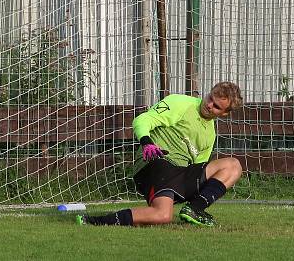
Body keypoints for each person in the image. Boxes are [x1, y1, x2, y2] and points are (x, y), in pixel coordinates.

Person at [79, 81, 243, 227]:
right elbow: (142, 120)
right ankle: (93, 221)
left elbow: (199, 166)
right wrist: (146, 142)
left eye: (216, 106)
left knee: (233, 166)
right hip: (157, 162)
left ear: (224, 114)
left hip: (180, 174)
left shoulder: (210, 135)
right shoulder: (180, 102)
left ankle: (194, 209)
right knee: (162, 214)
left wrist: (201, 193)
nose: (209, 105)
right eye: (210, 98)